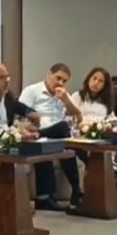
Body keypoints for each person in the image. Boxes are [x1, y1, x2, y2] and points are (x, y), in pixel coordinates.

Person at [19, 63, 84, 210]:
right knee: (63, 128)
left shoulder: (63, 95)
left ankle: (72, 191)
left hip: (57, 138)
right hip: (36, 133)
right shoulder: (32, 91)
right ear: (48, 75)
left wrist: (66, 101)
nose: (60, 83)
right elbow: (19, 117)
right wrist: (32, 126)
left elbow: (79, 118)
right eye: (58, 78)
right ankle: (76, 188)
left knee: (65, 143)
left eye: (64, 81)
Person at [70, 67, 117, 197]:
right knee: (105, 146)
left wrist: (114, 124)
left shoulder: (106, 101)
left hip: (102, 131)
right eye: (94, 79)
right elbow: (71, 117)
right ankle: (116, 176)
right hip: (83, 131)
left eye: (101, 81)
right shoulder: (78, 96)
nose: (96, 83)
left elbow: (111, 118)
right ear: (88, 79)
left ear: (104, 85)